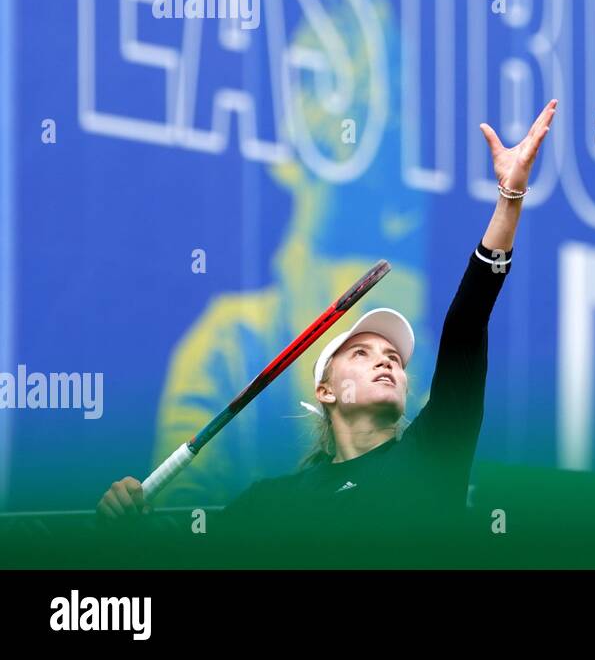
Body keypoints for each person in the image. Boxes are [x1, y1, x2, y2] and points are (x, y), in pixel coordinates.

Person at [96, 99, 558, 561]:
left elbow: (467, 326)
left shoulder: (434, 455)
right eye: (362, 353)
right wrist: (127, 528)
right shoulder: (268, 504)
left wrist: (509, 198)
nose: (386, 360)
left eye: (394, 359)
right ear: (325, 390)